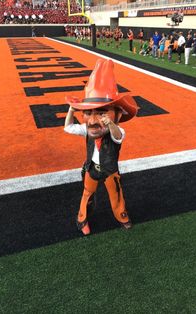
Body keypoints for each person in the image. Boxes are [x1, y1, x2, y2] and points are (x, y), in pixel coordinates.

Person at [64, 59, 138, 235]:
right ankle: (82, 219)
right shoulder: (87, 130)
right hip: (92, 168)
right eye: (88, 112)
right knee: (87, 194)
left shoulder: (116, 131)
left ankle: (122, 216)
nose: (93, 119)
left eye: (102, 112)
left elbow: (117, 135)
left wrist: (110, 123)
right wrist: (72, 110)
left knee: (116, 196)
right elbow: (68, 127)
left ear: (117, 114)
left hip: (110, 170)